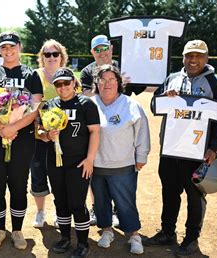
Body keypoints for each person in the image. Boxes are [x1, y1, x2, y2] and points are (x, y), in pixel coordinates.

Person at [144, 40, 217, 256]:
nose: (193, 60)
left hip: (197, 153)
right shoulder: (172, 79)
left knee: (195, 197)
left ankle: (191, 239)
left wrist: (214, 147)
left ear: (206, 58)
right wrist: (164, 96)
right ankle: (167, 232)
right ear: (183, 57)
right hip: (171, 150)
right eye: (189, 56)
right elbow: (155, 106)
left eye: (198, 56)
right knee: (170, 193)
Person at [0, 32, 43, 250]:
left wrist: (13, 127)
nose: (8, 51)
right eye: (4, 47)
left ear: (19, 47)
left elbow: (34, 106)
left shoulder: (30, 74)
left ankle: (16, 230)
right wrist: (1, 127)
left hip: (21, 135)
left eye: (12, 46)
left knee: (17, 184)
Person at [39, 67, 100, 258]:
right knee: (60, 201)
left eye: (67, 82)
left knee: (77, 202)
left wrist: (90, 159)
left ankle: (82, 243)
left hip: (78, 162)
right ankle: (65, 238)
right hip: (55, 161)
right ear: (54, 86)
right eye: (58, 84)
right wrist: (47, 135)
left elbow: (95, 132)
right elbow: (39, 132)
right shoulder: (50, 105)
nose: (63, 87)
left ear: (74, 83)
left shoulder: (86, 104)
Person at [90, 64, 150, 255]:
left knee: (125, 202)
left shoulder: (130, 105)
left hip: (123, 164)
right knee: (100, 201)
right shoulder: (90, 104)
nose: (107, 83)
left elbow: (142, 133)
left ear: (119, 82)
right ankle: (107, 230)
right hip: (96, 165)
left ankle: (134, 235)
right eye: (102, 79)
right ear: (96, 82)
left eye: (111, 79)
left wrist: (141, 156)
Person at [80, 35, 120, 227]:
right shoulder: (88, 71)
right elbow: (87, 94)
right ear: (92, 52)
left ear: (111, 48)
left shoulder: (122, 65)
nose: (102, 52)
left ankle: (118, 209)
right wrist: (112, 86)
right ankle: (98, 207)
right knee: (95, 169)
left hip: (120, 126)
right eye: (97, 49)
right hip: (96, 124)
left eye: (105, 47)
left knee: (120, 169)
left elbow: (143, 84)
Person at [31, 39, 69, 228]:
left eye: (55, 54)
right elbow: (32, 106)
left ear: (61, 57)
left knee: (61, 176)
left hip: (64, 138)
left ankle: (59, 211)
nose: (51, 57)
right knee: (38, 173)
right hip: (40, 134)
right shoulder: (35, 75)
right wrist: (40, 128)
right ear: (42, 58)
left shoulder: (69, 77)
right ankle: (40, 211)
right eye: (47, 54)